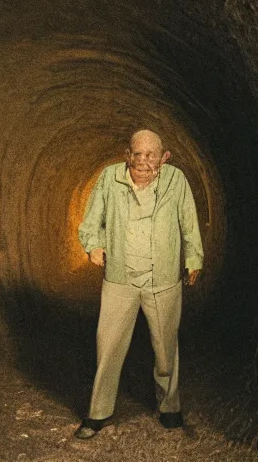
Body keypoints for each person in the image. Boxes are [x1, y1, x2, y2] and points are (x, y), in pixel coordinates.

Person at [73, 129, 204, 439]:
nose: (144, 161)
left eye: (151, 155)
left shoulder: (176, 181)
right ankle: (98, 413)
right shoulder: (109, 179)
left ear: (164, 158)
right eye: (138, 154)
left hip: (163, 278)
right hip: (120, 278)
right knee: (108, 348)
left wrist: (194, 257)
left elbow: (189, 220)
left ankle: (169, 406)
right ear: (127, 155)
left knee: (165, 348)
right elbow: (91, 221)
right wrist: (92, 244)